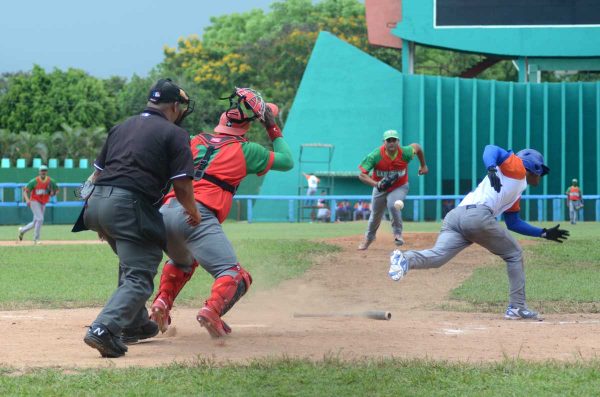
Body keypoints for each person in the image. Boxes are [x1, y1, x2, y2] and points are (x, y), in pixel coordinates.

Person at [150, 89, 293, 338]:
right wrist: (271, 126)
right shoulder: (248, 150)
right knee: (236, 276)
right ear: (246, 127)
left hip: (165, 212)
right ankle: (212, 311)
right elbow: (287, 160)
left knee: (182, 262)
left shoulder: (195, 139)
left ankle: (162, 302)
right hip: (197, 215)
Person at [81, 79, 201, 358]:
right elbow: (182, 185)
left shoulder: (121, 127)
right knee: (140, 275)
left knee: (131, 262)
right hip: (129, 203)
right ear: (174, 106)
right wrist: (193, 212)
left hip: (97, 203)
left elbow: (95, 175)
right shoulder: (174, 134)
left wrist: (96, 213)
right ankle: (104, 329)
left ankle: (134, 325)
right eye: (180, 107)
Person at [388, 145, 570, 320]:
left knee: (438, 257)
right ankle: (517, 307)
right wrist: (491, 168)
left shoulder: (516, 187)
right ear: (535, 168)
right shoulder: (518, 168)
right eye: (540, 172)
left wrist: (543, 233)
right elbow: (490, 149)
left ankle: (405, 259)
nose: (541, 176)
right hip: (477, 216)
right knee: (514, 254)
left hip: (455, 216)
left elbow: (514, 222)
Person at [357, 129, 428, 250]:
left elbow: (417, 147)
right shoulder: (375, 155)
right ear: (383, 142)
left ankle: (397, 234)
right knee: (375, 214)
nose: (391, 143)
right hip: (380, 187)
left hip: (399, 185)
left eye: (394, 140)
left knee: (393, 205)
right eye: (388, 140)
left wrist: (423, 165)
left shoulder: (405, 153)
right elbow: (361, 175)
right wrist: (376, 184)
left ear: (398, 141)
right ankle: (369, 238)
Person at [17, 165, 59, 244]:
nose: (43, 172)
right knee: (40, 219)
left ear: (47, 172)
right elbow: (25, 191)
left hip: (43, 202)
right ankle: (36, 239)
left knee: (35, 222)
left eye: (45, 170)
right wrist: (27, 200)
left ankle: (22, 231)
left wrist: (53, 193)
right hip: (34, 201)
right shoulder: (34, 181)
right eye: (42, 170)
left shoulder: (50, 181)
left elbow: (56, 191)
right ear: (39, 172)